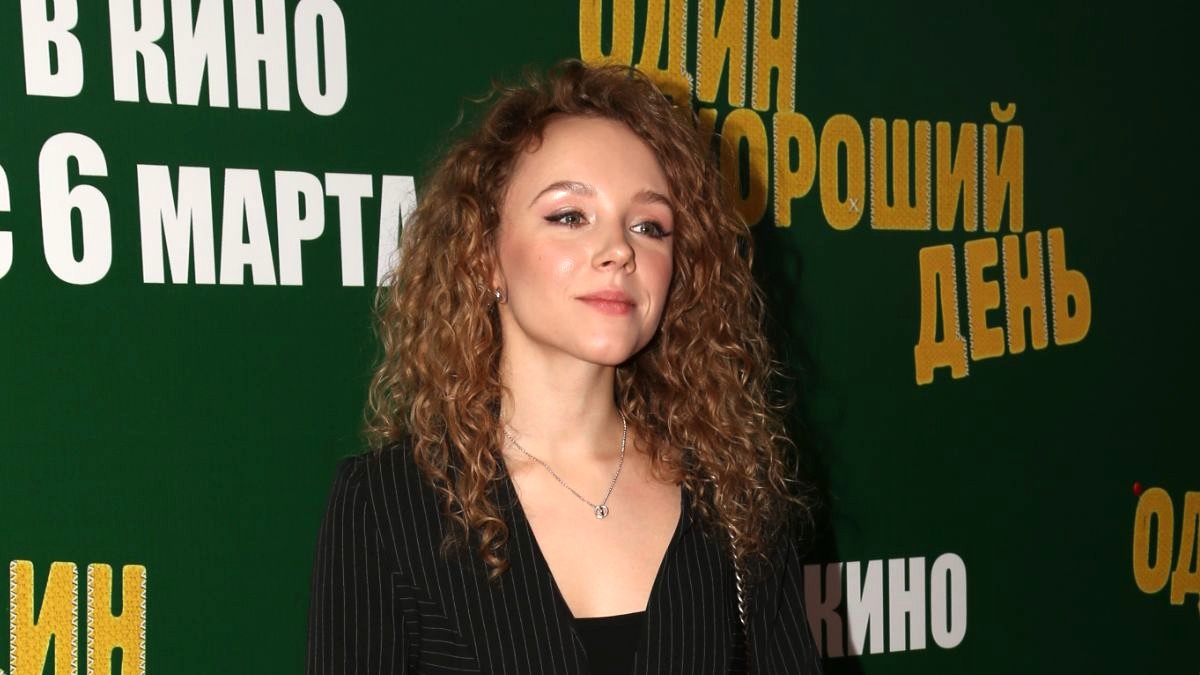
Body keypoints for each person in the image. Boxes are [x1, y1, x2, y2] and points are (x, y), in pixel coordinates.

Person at [305, 60, 823, 675]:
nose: (619, 250)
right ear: (484, 256)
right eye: (570, 216)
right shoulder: (387, 505)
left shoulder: (732, 494)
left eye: (649, 226)